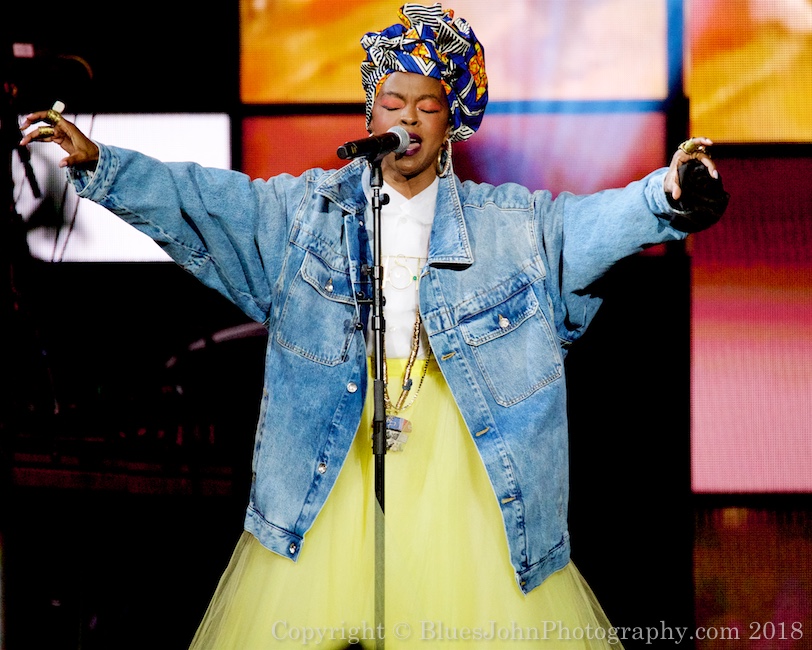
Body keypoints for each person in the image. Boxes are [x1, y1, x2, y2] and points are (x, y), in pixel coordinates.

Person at [19, 4, 725, 648]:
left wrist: (666, 195)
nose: (408, 119)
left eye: (428, 105)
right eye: (393, 101)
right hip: (337, 462)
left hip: (462, 477)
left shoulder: (512, 224)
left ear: (454, 119)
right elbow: (209, 200)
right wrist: (103, 166)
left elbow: (587, 226)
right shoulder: (308, 213)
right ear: (371, 111)